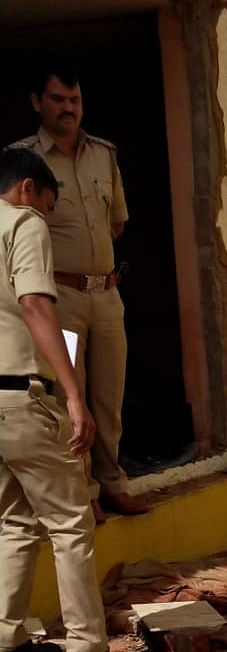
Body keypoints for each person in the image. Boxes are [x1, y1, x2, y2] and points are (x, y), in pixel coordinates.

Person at [0, 146, 130, 652]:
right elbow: (35, 304)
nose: (48, 218)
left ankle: (5, 640)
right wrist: (74, 394)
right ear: (29, 189)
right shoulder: (24, 223)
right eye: (50, 206)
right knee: (71, 522)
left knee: (13, 521)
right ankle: (87, 649)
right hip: (23, 395)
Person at [12, 62, 147, 523]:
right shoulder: (22, 159)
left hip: (105, 295)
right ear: (37, 102)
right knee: (71, 398)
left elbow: (118, 223)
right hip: (57, 295)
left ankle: (112, 485)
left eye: (75, 101)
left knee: (109, 397)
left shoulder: (104, 154)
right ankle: (83, 489)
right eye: (57, 100)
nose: (68, 109)